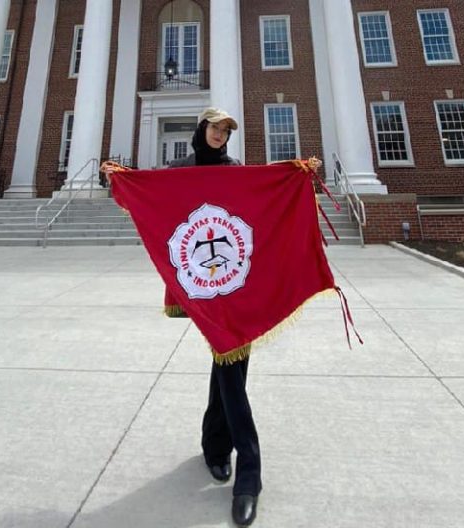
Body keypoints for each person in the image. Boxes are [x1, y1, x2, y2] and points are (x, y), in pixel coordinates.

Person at [169, 108, 261, 527]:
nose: (221, 135)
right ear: (201, 129)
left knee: (226, 367)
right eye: (215, 127)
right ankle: (242, 469)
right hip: (202, 284)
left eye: (226, 130)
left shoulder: (235, 170)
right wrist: (121, 178)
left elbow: (258, 201)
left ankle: (222, 452)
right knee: (228, 368)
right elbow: (155, 206)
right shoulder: (180, 170)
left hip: (235, 282)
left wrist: (296, 174)